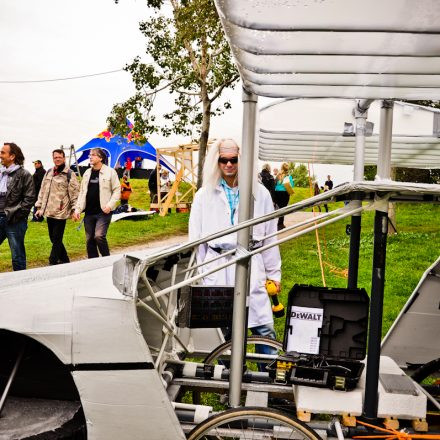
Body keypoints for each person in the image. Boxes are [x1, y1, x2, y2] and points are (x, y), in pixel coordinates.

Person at [189, 138, 281, 358]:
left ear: (241, 159)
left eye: (233, 160)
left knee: (264, 328)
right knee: (224, 334)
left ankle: (270, 383)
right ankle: (230, 384)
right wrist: (202, 274)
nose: (228, 165)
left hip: (252, 264)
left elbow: (269, 237)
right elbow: (196, 240)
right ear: (216, 162)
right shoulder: (204, 195)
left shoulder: (260, 193)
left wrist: (274, 273)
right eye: (223, 160)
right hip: (217, 267)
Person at [35, 149, 79, 265]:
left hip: (61, 211)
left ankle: (52, 261)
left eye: (59, 157)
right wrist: (39, 207)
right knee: (52, 237)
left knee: (57, 237)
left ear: (64, 158)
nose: (57, 159)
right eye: (55, 157)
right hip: (49, 210)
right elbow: (42, 190)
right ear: (53, 159)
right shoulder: (49, 172)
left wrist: (75, 210)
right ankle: (65, 259)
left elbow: (75, 194)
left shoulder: (69, 174)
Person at [73, 148, 120, 258]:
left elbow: (117, 190)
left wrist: (110, 205)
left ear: (101, 158)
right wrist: (77, 209)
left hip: (103, 212)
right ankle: (93, 263)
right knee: (89, 240)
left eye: (93, 155)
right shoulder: (87, 173)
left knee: (99, 236)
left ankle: (106, 259)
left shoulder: (110, 172)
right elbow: (82, 193)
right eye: (90, 155)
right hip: (89, 212)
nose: (90, 157)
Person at [0, 142, 35, 271]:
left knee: (17, 255)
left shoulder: (24, 174)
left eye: (3, 152)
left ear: (12, 156)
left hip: (14, 220)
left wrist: (18, 216)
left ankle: (21, 283)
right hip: (0, 217)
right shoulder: (1, 173)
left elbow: (29, 198)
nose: (0, 155)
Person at [274, 163, 295, 231]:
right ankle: (280, 224)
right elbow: (291, 185)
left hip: (277, 192)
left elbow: (274, 184)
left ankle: (276, 224)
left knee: (278, 208)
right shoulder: (288, 176)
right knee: (283, 209)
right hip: (285, 193)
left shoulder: (277, 175)